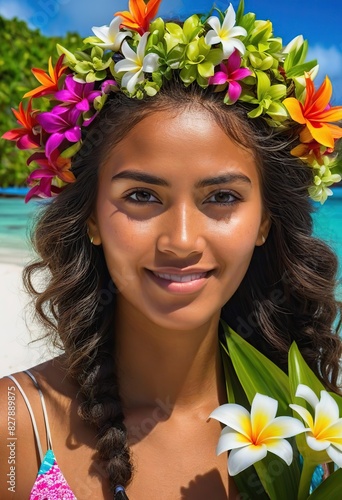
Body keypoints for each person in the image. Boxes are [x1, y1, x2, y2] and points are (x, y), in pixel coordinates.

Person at [1, 1, 342, 498]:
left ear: (265, 220)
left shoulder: (318, 436)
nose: (181, 241)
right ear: (92, 216)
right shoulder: (18, 429)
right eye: (142, 196)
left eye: (222, 197)